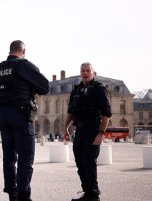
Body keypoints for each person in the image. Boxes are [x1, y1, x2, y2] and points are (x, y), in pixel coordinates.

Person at [0, 40, 50, 201]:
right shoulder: (24, 65)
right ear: (23, 51)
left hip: (4, 115)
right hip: (20, 114)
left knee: (9, 156)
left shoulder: (0, 68)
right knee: (26, 156)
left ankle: (12, 193)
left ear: (10, 50)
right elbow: (45, 87)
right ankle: (24, 194)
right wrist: (32, 89)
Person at [64, 62, 111, 201]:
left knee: (89, 162)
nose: (85, 73)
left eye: (88, 70)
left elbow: (106, 113)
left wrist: (101, 133)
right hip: (79, 130)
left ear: (93, 72)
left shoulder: (99, 88)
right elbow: (70, 112)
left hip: (93, 129)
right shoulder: (76, 89)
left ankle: (93, 195)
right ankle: (88, 193)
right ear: (80, 72)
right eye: (83, 71)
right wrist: (65, 128)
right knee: (79, 162)